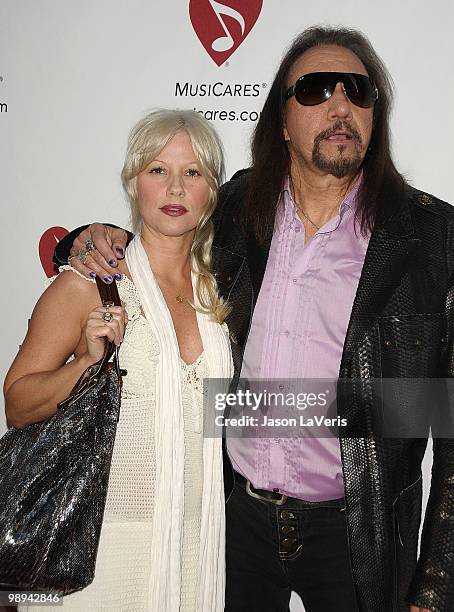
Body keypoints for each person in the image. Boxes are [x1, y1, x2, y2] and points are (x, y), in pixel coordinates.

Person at [54, 26, 454, 612]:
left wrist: (437, 585)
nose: (340, 106)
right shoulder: (239, 209)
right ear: (282, 120)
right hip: (230, 517)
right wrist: (86, 238)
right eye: (317, 90)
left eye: (359, 92)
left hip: (358, 534)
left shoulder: (431, 238)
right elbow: (162, 231)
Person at [4, 109, 233, 611]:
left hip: (198, 548)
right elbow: (18, 405)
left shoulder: (222, 296)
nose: (175, 188)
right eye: (158, 170)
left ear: (211, 189)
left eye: (191, 173)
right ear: (134, 183)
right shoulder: (88, 286)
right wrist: (87, 363)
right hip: (97, 554)